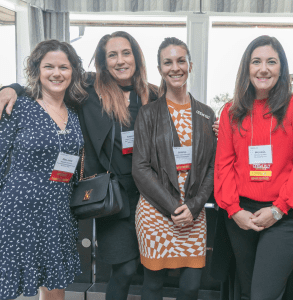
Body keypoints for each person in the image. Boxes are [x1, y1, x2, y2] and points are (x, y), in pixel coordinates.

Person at [0, 31, 158, 300]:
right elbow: (49, 81)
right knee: (124, 269)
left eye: (126, 53)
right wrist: (12, 88)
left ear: (137, 57)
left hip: (137, 197)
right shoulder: (91, 91)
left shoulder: (151, 95)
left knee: (149, 271)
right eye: (112, 55)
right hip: (98, 197)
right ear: (103, 61)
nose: (120, 60)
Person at [214, 35, 293, 300]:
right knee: (248, 292)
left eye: (271, 62)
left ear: (281, 68)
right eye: (256, 61)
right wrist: (234, 210)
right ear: (246, 68)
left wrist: (278, 209)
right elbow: (223, 165)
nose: (263, 68)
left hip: (284, 213)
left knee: (263, 295)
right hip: (241, 216)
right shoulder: (231, 111)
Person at [0, 39, 87, 299]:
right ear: (37, 70)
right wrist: (10, 87)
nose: (57, 73)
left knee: (54, 286)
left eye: (64, 67)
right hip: (19, 212)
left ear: (73, 72)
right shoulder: (18, 108)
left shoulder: (75, 112)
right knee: (10, 282)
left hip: (58, 212)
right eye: (49, 66)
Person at [132, 37, 216, 300]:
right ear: (160, 69)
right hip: (156, 212)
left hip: (194, 211)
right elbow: (141, 168)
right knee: (153, 285)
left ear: (190, 65)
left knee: (191, 287)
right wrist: (173, 207)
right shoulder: (148, 113)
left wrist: (193, 207)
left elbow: (213, 167)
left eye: (181, 61)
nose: (175, 67)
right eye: (168, 62)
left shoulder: (206, 114)